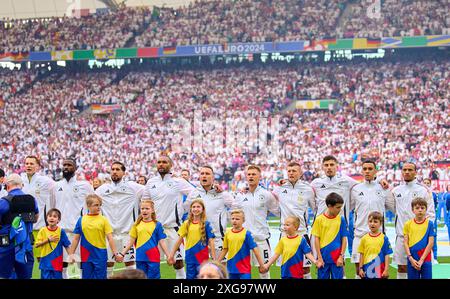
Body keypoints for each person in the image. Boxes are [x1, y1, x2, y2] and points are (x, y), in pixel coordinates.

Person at [143, 155, 197, 279]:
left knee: (177, 262)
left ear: (171, 165)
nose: (161, 164)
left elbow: (194, 193)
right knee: (152, 262)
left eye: (164, 162)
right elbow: (145, 201)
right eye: (159, 162)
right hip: (153, 229)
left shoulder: (178, 181)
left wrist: (184, 207)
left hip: (173, 228)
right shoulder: (151, 182)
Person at [95, 161, 144, 277]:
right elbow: (90, 202)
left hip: (127, 234)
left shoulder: (134, 188)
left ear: (124, 173)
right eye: (113, 169)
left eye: (118, 169)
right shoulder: (102, 190)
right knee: (108, 265)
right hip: (109, 235)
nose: (115, 172)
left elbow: (151, 193)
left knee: (130, 265)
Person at [349, 160, 395, 278]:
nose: (367, 171)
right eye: (365, 169)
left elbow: (395, 208)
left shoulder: (384, 188)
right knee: (359, 272)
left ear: (376, 171)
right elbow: (347, 208)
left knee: (378, 272)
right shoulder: (356, 189)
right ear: (361, 171)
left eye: (370, 169)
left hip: (378, 238)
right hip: (359, 236)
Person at [233, 165, 279, 279]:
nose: (251, 176)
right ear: (246, 177)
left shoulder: (266, 194)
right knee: (243, 271)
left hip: (261, 239)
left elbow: (278, 211)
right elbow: (233, 214)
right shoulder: (240, 195)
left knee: (264, 270)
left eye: (254, 174)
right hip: (243, 240)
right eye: (249, 174)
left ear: (259, 177)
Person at [272, 162, 316, 279]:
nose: (291, 173)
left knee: (305, 267)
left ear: (300, 173)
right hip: (284, 234)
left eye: (294, 171)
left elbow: (315, 208)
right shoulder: (279, 189)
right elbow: (269, 202)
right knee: (285, 266)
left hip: (302, 233)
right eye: (289, 171)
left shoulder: (307, 189)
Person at [52, 158, 94, 279]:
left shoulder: (85, 185)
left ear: (75, 168)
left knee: (78, 261)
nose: (66, 167)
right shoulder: (56, 186)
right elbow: (52, 208)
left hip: (79, 231)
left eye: (69, 165)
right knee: (62, 262)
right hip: (61, 230)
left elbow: (92, 204)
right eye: (64, 165)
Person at [392, 162, 435, 279]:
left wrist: (424, 234)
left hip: (420, 238)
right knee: (401, 267)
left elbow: (430, 214)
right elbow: (392, 208)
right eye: (404, 170)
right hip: (402, 236)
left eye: (410, 170)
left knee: (421, 267)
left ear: (415, 172)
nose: (407, 172)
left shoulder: (424, 190)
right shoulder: (395, 191)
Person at [184, 166, 234, 261]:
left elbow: (236, 207)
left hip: (218, 239)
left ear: (213, 177)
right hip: (198, 240)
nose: (204, 176)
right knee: (200, 272)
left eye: (207, 174)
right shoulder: (193, 194)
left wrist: (227, 219)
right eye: (202, 174)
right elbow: (186, 210)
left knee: (220, 271)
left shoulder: (222, 194)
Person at [68, 194, 119, 279]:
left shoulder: (104, 219)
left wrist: (115, 253)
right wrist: (71, 254)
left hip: (100, 255)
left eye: (99, 205)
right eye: (96, 205)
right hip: (86, 255)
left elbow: (110, 238)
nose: (98, 207)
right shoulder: (81, 219)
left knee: (101, 277)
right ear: (88, 206)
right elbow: (76, 239)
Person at [117, 199, 170, 279]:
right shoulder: (136, 224)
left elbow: (162, 241)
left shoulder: (157, 224)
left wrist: (168, 255)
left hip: (153, 257)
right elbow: (131, 241)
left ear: (152, 210)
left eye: (147, 208)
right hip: (140, 257)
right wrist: (122, 253)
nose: (144, 211)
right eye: (142, 209)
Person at [0, 173, 38, 279]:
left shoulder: (3, 202)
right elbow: (35, 218)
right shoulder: (32, 200)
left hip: (7, 247)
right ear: (21, 185)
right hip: (26, 246)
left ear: (7, 187)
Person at [168, 199, 216, 279]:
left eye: (198, 207)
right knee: (190, 277)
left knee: (202, 277)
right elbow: (179, 240)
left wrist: (214, 258)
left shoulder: (206, 224)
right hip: (190, 256)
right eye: (193, 207)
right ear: (190, 209)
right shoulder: (186, 223)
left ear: (202, 209)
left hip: (203, 258)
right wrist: (172, 254)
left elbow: (211, 241)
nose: (195, 209)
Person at [217, 209, 265, 279]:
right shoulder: (227, 233)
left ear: (243, 220)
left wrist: (261, 265)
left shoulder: (247, 234)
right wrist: (217, 262)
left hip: (244, 269)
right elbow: (225, 249)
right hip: (231, 269)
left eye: (237, 219)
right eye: (232, 218)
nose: (234, 220)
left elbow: (255, 250)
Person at [311, 192, 348, 279]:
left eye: (341, 207)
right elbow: (316, 239)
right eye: (338, 207)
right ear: (329, 206)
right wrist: (319, 258)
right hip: (323, 259)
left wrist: (341, 256)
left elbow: (344, 239)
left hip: (337, 259)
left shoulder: (341, 219)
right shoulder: (319, 219)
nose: (340, 210)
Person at [403, 198, 436, 279]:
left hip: (426, 259)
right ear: (412, 210)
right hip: (412, 258)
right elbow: (405, 242)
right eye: (417, 208)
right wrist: (410, 258)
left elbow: (431, 243)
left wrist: (422, 260)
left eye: (422, 208)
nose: (420, 210)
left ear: (426, 209)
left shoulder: (430, 224)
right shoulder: (408, 224)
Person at [35, 208, 71, 279]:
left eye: (55, 216)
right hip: (45, 263)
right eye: (50, 216)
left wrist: (71, 256)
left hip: (57, 264)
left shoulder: (61, 231)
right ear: (46, 218)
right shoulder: (42, 230)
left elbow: (67, 246)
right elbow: (37, 245)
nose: (52, 218)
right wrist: (48, 240)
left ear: (58, 220)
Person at [21, 156, 55, 231]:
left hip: (39, 226)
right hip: (22, 227)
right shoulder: (20, 180)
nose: (28, 165)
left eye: (31, 164)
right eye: (26, 163)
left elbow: (58, 188)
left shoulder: (45, 181)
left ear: (38, 167)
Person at [357, 211, 392, 279]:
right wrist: (360, 268)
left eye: (375, 222)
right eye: (370, 221)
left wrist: (386, 270)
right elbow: (362, 254)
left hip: (380, 271)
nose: (372, 224)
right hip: (367, 271)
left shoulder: (384, 238)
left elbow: (387, 255)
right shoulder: (364, 238)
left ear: (380, 224)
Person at [423, 178, 438, 263]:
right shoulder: (420, 193)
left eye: (428, 183)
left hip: (431, 218)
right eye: (424, 182)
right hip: (422, 217)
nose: (426, 184)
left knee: (433, 236)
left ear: (430, 184)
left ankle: (434, 257)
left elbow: (434, 207)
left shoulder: (433, 194)